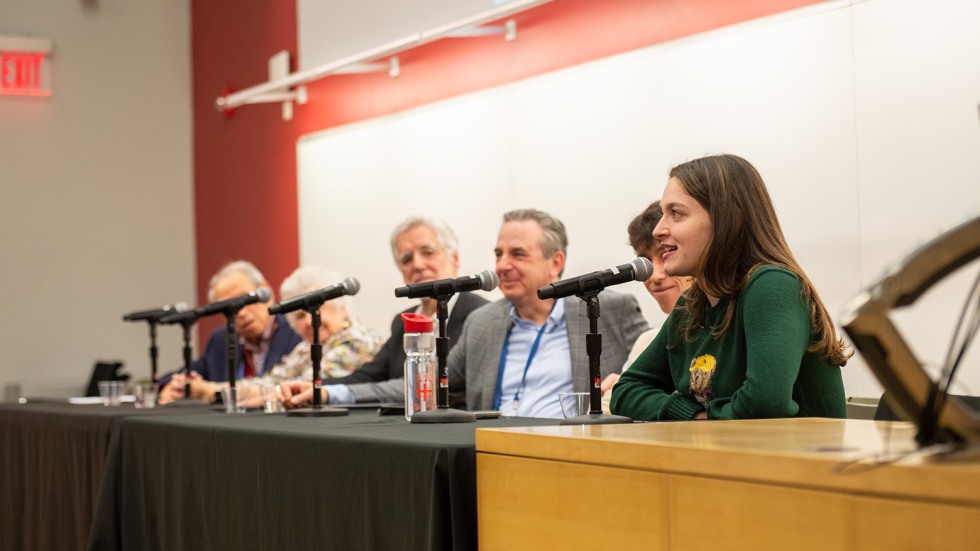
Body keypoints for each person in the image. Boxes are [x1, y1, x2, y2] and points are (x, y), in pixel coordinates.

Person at [611, 154, 848, 421]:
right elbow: (626, 391)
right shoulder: (690, 306)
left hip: (798, 461)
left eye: (676, 214)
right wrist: (690, 414)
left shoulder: (772, 286)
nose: (658, 230)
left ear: (725, 219)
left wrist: (700, 419)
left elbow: (765, 404)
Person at [448, 208, 649, 418]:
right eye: (499, 254)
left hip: (575, 444)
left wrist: (623, 383)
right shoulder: (481, 322)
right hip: (494, 444)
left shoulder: (611, 310)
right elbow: (438, 384)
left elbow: (662, 371)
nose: (502, 265)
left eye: (518, 254)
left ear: (556, 262)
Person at [281, 217, 489, 407]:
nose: (417, 264)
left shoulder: (479, 315)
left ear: (455, 258)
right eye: (406, 259)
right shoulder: (403, 321)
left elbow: (433, 384)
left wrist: (331, 393)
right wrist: (319, 388)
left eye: (428, 252)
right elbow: (369, 375)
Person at [158, 261, 302, 404]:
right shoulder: (221, 340)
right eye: (229, 308)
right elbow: (189, 371)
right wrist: (174, 385)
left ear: (266, 292)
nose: (242, 313)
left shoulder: (298, 331)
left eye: (246, 299)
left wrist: (212, 390)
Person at [601, 201, 693, 412]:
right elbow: (607, 412)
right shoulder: (649, 341)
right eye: (646, 262)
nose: (656, 276)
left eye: (667, 254)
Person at [266, 266, 383, 381]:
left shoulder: (358, 341)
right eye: (300, 316)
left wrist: (263, 391)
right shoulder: (305, 349)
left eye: (317, 309)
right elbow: (274, 381)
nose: (309, 321)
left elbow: (306, 387)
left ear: (341, 307)